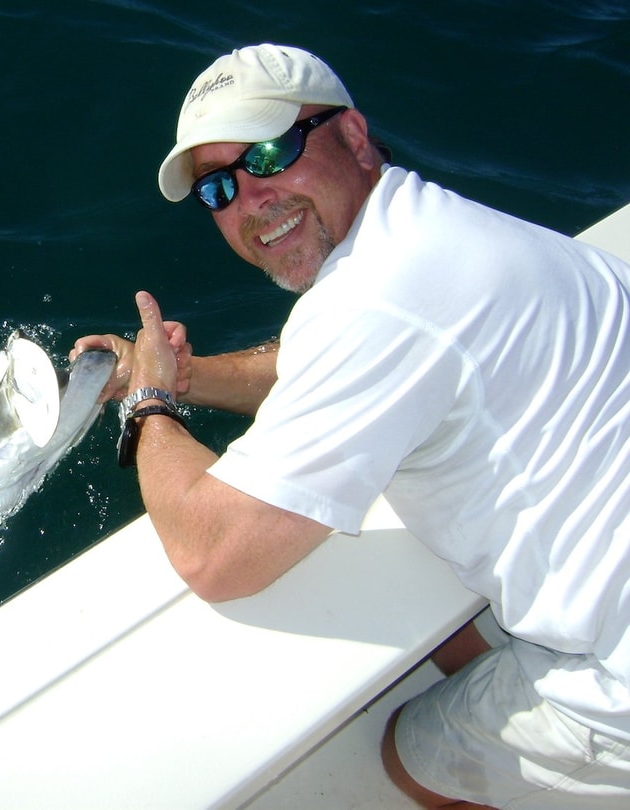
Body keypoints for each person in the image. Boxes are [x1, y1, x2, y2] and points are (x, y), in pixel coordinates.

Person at [70, 43, 630, 808]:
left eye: (269, 153)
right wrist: (178, 375)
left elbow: (216, 555)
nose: (250, 198)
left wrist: (150, 409)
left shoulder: (375, 302)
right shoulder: (427, 230)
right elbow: (319, 362)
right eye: (219, 187)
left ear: (355, 136)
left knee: (409, 756)